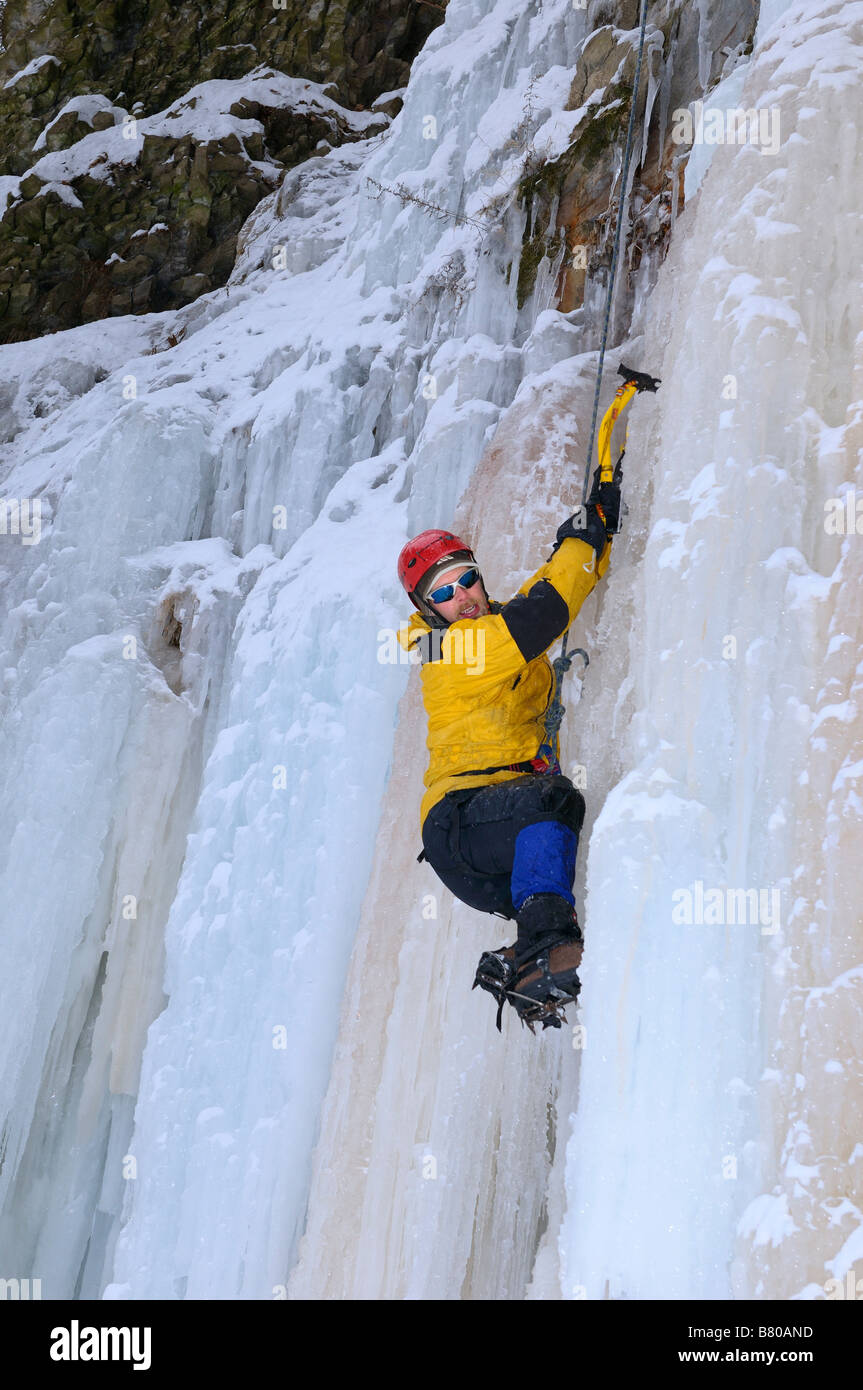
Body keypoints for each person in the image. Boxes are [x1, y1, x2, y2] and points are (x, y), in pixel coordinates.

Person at [397, 459, 623, 1032]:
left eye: (467, 577)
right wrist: (580, 542)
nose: (464, 596)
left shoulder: (491, 629)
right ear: (429, 610)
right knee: (553, 800)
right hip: (462, 823)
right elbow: (544, 611)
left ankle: (527, 959)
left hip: (501, 839)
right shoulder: (449, 651)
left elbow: (547, 587)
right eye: (444, 592)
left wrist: (593, 535)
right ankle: (542, 953)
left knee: (586, 863)